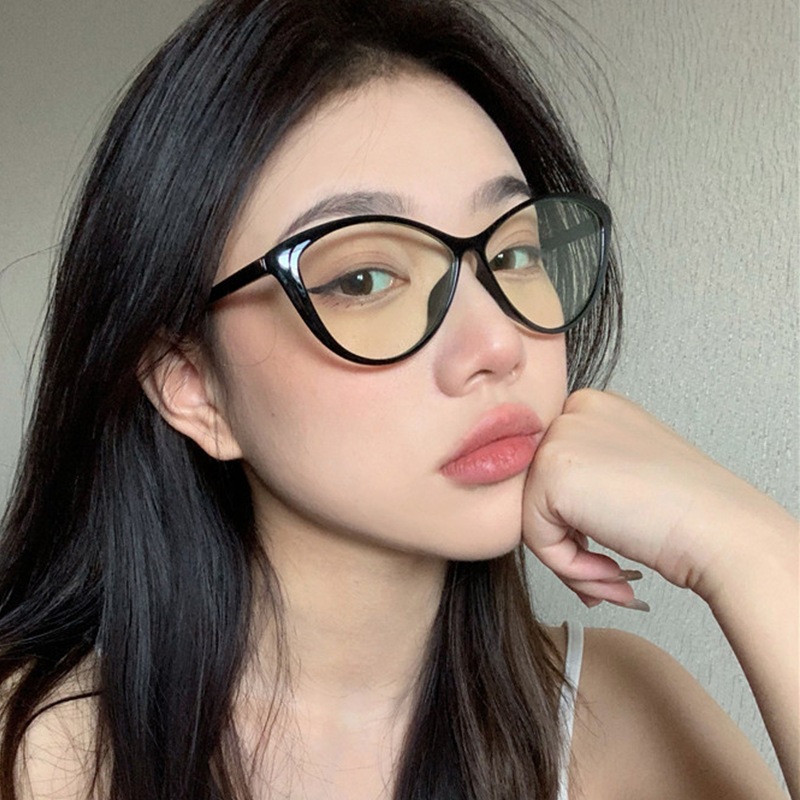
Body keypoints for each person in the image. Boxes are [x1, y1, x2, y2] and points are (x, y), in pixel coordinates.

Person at [0, 0, 796, 798]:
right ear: (192, 384)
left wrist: (748, 547)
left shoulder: (620, 721)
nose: (498, 345)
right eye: (363, 278)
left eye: (514, 253)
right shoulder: (37, 754)